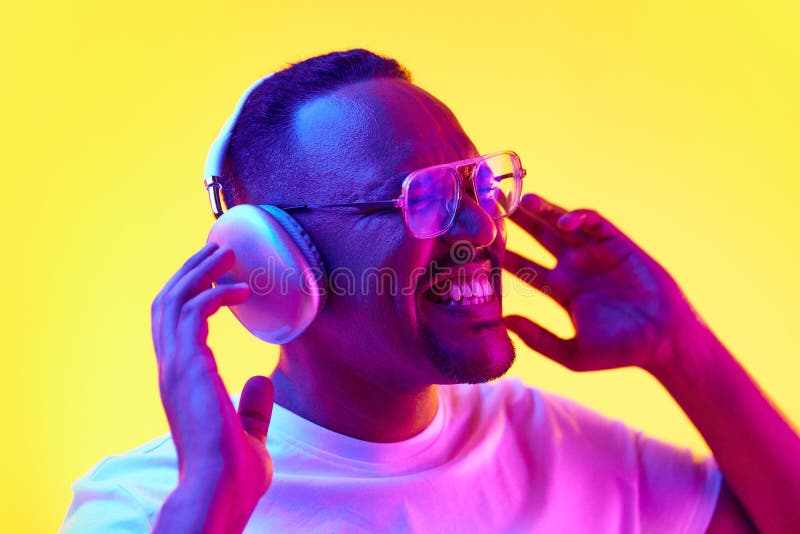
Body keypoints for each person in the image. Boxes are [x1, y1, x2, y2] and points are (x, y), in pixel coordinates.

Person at [62, 49, 799, 533]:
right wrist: (210, 503)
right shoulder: (144, 505)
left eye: (478, 183)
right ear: (276, 265)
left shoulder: (545, 439)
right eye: (421, 196)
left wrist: (680, 348)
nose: (481, 223)